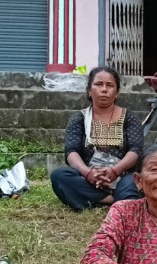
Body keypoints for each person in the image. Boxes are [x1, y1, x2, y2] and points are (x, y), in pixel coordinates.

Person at [50, 66, 144, 211]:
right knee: (59, 176)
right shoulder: (79, 118)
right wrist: (88, 173)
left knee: (134, 182)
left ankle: (97, 198)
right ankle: (113, 199)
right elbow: (71, 151)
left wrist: (114, 171)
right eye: (98, 84)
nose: (104, 89)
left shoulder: (130, 118)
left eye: (110, 85)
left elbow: (135, 150)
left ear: (117, 93)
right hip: (88, 177)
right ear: (89, 90)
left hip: (122, 176)